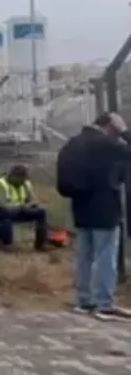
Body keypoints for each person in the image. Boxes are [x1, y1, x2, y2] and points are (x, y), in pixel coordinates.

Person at [57, 113, 131, 319]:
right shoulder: (105, 144)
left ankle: (84, 300)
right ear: (110, 126)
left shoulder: (73, 143)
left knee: (84, 256)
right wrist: (125, 132)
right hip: (105, 208)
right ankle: (105, 304)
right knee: (106, 256)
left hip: (81, 208)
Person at [0, 164, 47, 251]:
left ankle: (41, 244)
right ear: (13, 177)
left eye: (24, 179)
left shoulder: (26, 184)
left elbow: (32, 200)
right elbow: (1, 204)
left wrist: (33, 205)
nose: (22, 182)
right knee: (5, 214)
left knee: (41, 212)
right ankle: (6, 243)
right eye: (20, 180)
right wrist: (20, 206)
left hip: (21, 210)